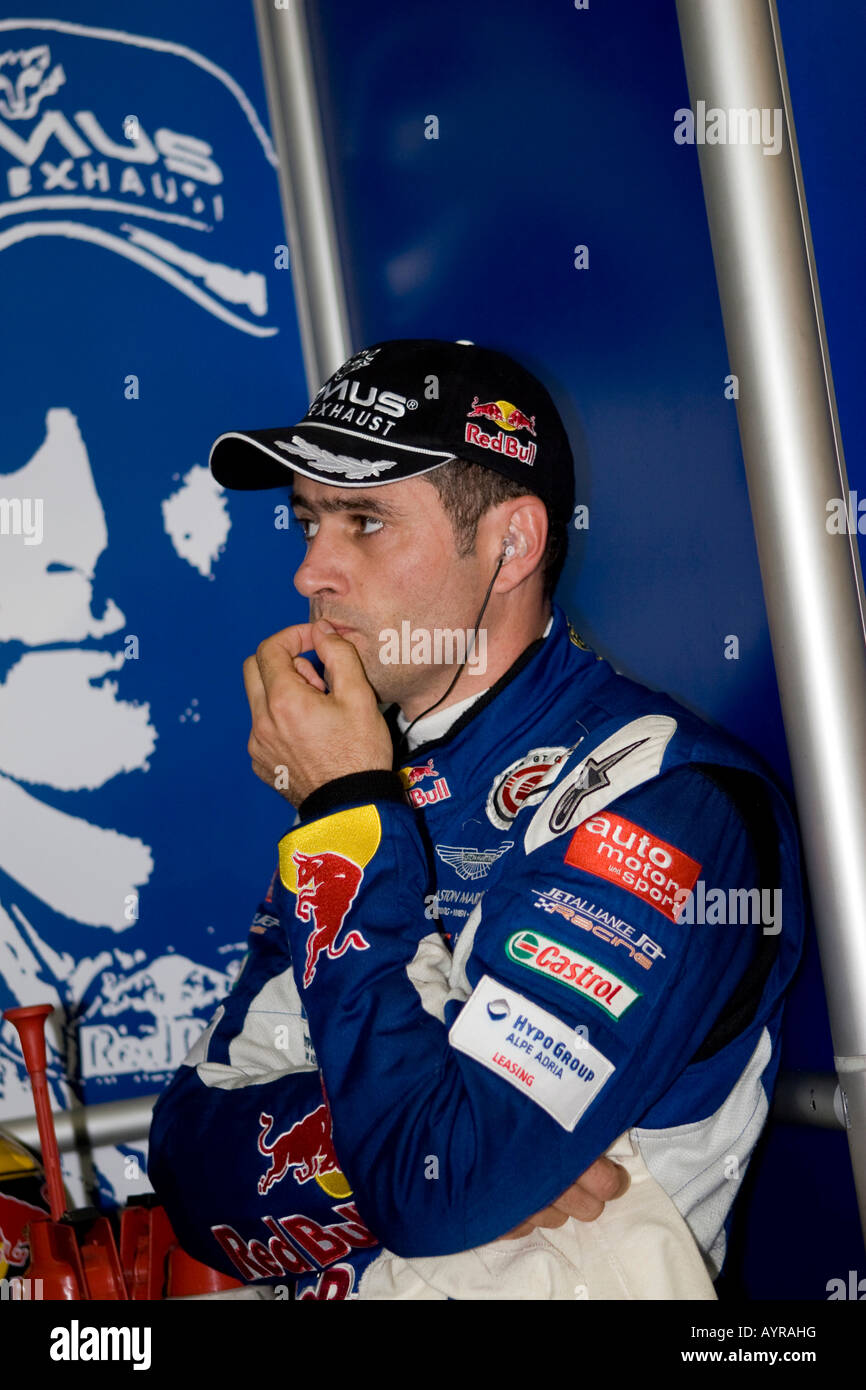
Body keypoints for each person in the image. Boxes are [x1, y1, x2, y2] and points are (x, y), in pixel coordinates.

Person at [148, 338, 804, 1300]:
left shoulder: (667, 797)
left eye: (364, 521)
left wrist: (339, 816)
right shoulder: (374, 777)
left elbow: (434, 1183)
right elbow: (188, 1164)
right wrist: (386, 1144)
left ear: (512, 544)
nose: (310, 574)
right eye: (307, 523)